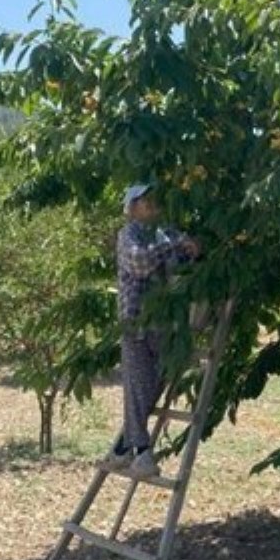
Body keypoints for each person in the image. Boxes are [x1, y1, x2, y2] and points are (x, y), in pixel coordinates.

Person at [99, 183, 199, 479]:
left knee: (151, 385)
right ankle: (141, 452)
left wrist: (191, 249)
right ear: (132, 207)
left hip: (166, 323)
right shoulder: (128, 234)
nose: (153, 203)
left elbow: (182, 263)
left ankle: (121, 449)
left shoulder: (164, 232)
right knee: (137, 383)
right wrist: (177, 244)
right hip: (136, 322)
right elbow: (140, 263)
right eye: (145, 200)